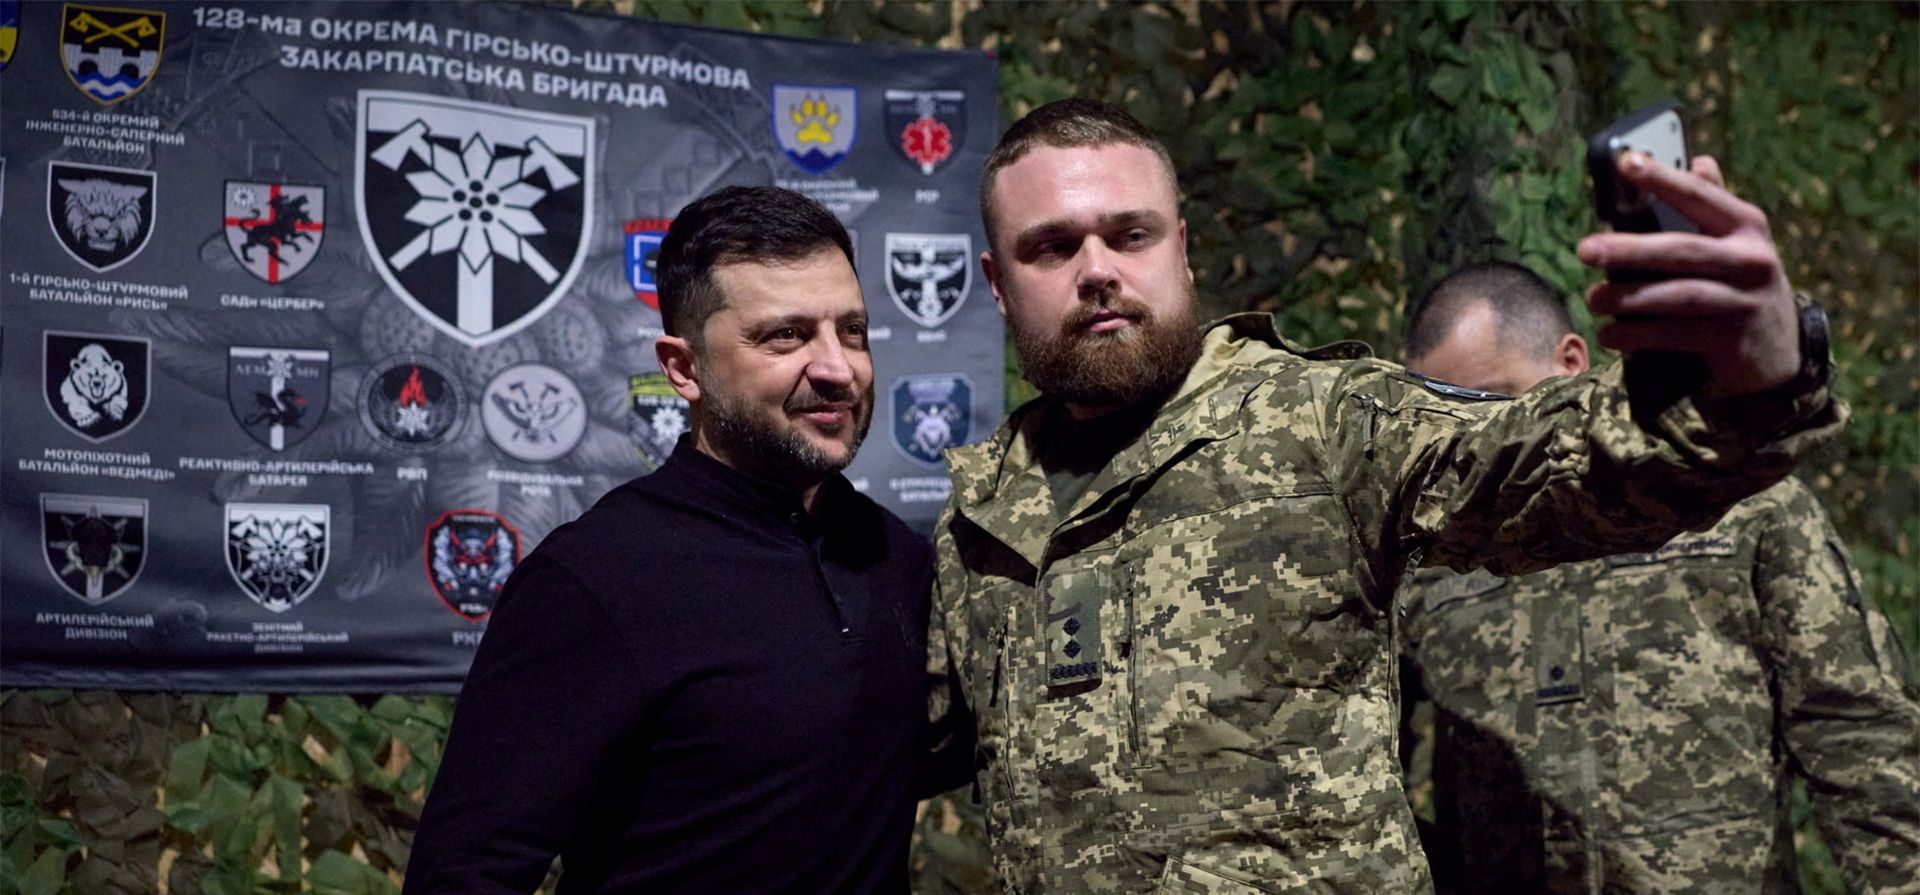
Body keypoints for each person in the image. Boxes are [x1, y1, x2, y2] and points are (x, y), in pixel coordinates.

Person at [923, 98, 1845, 894]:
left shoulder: (1324, 421)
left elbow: (1542, 464)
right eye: (1051, 247)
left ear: (1183, 251)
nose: (1097, 269)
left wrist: (1742, 376)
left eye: (1130, 234)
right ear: (999, 285)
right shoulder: (983, 518)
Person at [405, 186, 935, 894]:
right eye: (787, 335)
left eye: (855, 331)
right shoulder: (595, 578)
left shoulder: (897, 556)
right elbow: (465, 872)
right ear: (684, 369)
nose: (839, 368)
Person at [1398, 260, 1920, 895]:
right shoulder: (1432, 556)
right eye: (1447, 421)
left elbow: (1858, 732)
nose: (1479, 440)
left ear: (1570, 363)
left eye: (1492, 400)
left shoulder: (1743, 509)